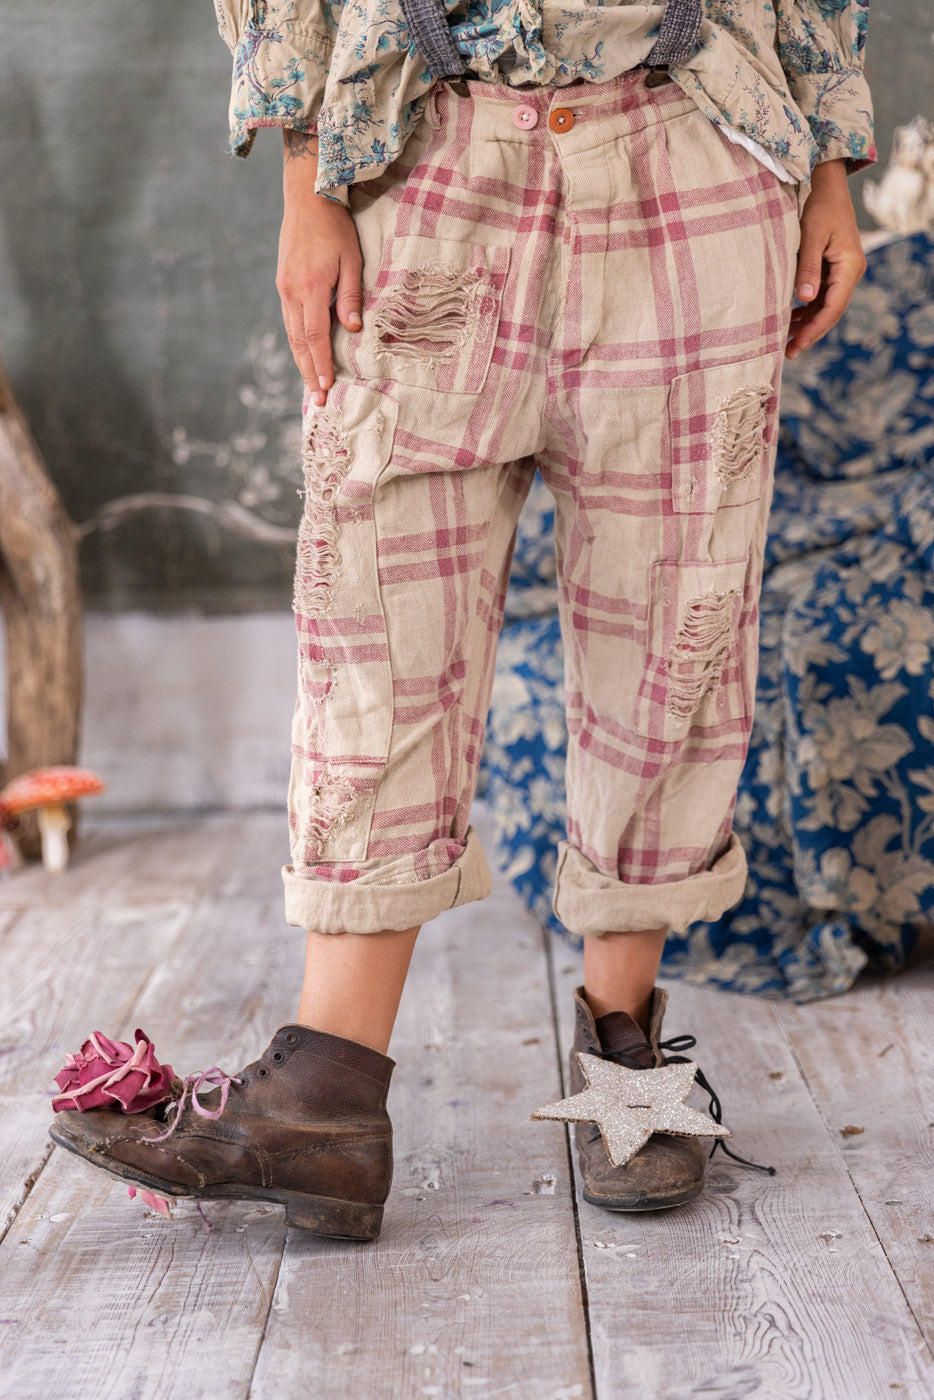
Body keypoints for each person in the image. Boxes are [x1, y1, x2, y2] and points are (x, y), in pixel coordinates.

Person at [49, 0, 875, 1238]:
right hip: (423, 161)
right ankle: (327, 1091)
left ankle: (625, 1049)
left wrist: (830, 168)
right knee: (376, 629)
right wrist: (305, 179)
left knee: (678, 623)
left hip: (694, 151)